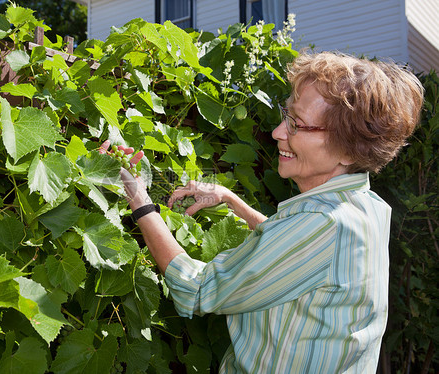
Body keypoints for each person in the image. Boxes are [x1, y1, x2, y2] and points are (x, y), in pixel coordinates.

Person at [106, 51, 424, 373]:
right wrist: (230, 199)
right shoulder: (367, 207)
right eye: (286, 114)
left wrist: (139, 198)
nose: (277, 132)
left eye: (296, 124)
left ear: (347, 148)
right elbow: (292, 254)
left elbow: (197, 289)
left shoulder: (321, 224)